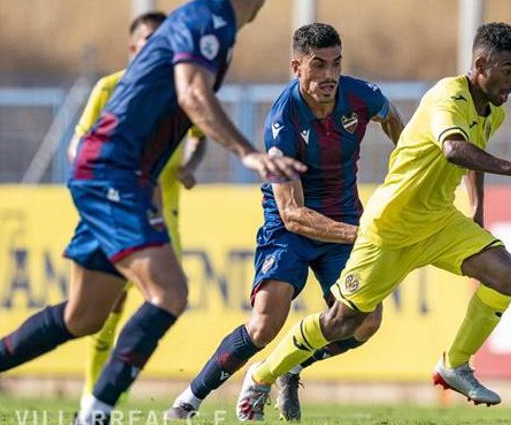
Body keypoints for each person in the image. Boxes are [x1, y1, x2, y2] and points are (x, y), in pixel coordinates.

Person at [0, 0, 304, 424]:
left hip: (111, 169)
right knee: (169, 294)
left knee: (83, 316)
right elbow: (192, 93)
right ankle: (95, 415)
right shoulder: (209, 19)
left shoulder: (206, 21)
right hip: (113, 168)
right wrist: (249, 153)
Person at [235, 22, 511, 419]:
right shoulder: (448, 97)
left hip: (438, 222)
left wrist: (476, 211)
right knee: (342, 322)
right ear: (480, 65)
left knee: (506, 273)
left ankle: (455, 364)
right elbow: (455, 149)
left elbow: (473, 151)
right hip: (389, 228)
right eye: (509, 71)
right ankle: (263, 376)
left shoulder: (493, 110)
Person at [165, 23, 404, 421]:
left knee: (365, 323)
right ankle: (187, 402)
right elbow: (293, 213)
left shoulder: (361, 96)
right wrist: (361, 234)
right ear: (297, 67)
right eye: (318, 65)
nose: (330, 75)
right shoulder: (284, 121)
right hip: (291, 226)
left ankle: (288, 366)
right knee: (265, 321)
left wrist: (408, 168)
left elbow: (396, 122)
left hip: (343, 217)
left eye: (336, 64)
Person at [67, 11, 207, 411]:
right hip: (115, 212)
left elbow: (199, 135)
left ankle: (108, 394)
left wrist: (189, 166)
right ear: (133, 48)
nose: (155, 47)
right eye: (148, 40)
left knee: (164, 301)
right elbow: (78, 146)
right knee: (104, 312)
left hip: (164, 219)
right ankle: (95, 394)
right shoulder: (109, 88)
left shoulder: (181, 92)